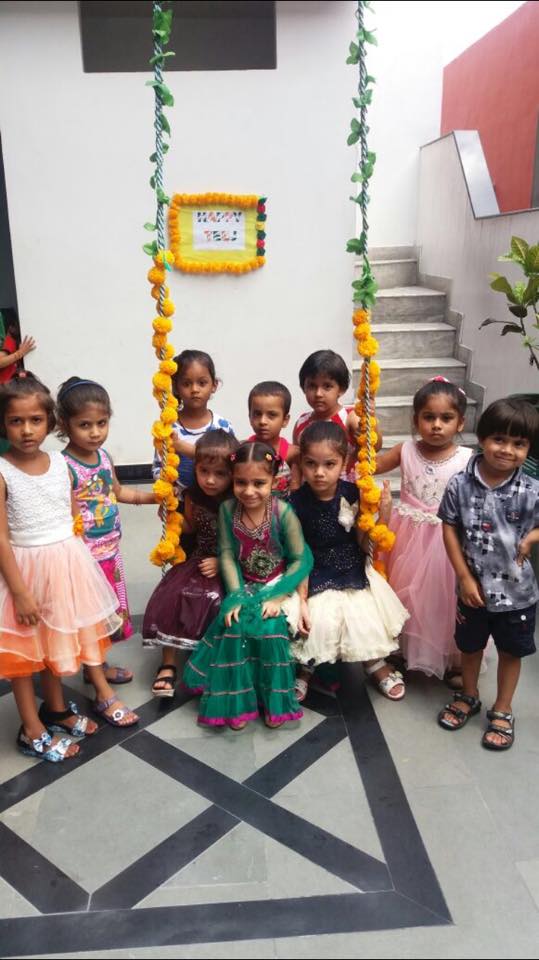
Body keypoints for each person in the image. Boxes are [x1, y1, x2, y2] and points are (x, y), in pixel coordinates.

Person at [0, 372, 123, 761]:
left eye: (35, 420)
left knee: (53, 642)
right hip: (24, 573)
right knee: (24, 655)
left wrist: (75, 571)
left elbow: (72, 518)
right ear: (3, 424)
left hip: (64, 567)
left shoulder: (59, 463)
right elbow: (1, 537)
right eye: (16, 421)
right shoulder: (2, 470)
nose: (26, 430)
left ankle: (54, 709)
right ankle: (31, 728)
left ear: (50, 422)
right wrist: (20, 592)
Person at [182, 441, 313, 729]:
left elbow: (299, 560)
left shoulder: (283, 513)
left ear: (274, 481)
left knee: (270, 629)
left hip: (279, 585)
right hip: (245, 584)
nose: (249, 491)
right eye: (241, 482)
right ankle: (239, 701)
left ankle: (273, 701)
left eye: (259, 483)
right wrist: (236, 596)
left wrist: (278, 596)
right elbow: (227, 555)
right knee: (234, 626)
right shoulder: (228, 509)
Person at [437, 397, 539, 751]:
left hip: (517, 595)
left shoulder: (532, 490)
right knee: (470, 647)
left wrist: (532, 537)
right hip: (473, 591)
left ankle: (503, 708)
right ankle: (469, 695)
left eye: (518, 443)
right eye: (499, 439)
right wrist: (464, 578)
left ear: (528, 448)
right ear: (481, 438)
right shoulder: (459, 484)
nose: (507, 450)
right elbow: (449, 527)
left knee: (511, 651)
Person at [290, 421, 409, 702]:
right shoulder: (296, 501)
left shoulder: (353, 493)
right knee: (318, 617)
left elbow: (364, 542)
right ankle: (306, 666)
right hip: (313, 567)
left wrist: (383, 517)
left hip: (351, 564)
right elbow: (296, 549)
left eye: (329, 464)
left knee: (360, 614)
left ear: (344, 463)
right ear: (302, 463)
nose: (319, 472)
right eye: (311, 464)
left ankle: (374, 664)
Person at [57, 376, 153, 723]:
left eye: (101, 423)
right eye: (85, 425)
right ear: (64, 424)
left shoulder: (103, 457)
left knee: (108, 614)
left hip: (110, 551)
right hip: (84, 559)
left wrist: (152, 497)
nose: (95, 432)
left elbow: (118, 492)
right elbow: (64, 515)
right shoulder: (63, 466)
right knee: (91, 621)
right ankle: (102, 693)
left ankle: (95, 667)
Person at [376, 377, 472, 685]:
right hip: (405, 537)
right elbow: (371, 465)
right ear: (416, 420)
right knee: (402, 594)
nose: (436, 425)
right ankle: (401, 648)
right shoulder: (405, 450)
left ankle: (453, 657)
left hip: (446, 541)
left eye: (446, 418)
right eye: (428, 417)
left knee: (442, 600)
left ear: (460, 423)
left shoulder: (466, 459)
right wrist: (360, 442)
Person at [143, 429, 238, 697]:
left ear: (233, 474)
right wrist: (172, 515)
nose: (210, 479)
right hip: (198, 556)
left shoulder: (238, 500)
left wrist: (221, 562)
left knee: (214, 599)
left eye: (220, 474)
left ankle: (213, 662)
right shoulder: (193, 497)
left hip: (230, 563)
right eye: (203, 471)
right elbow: (190, 528)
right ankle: (168, 663)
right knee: (173, 594)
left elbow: (246, 540)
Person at [152, 349, 234, 501]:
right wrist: (169, 487)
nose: (195, 389)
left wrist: (181, 446)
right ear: (176, 387)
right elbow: (159, 466)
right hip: (180, 503)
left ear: (214, 385)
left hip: (218, 503)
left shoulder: (223, 426)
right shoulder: (169, 428)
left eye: (202, 383)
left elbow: (233, 464)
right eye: (186, 384)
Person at [293, 349, 380, 481]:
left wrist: (370, 424)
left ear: (342, 389)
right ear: (303, 387)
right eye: (312, 386)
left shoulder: (351, 417)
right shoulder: (301, 423)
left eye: (327, 386)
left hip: (347, 489)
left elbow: (374, 447)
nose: (318, 394)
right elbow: (298, 461)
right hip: (311, 490)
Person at [247, 380, 299, 497]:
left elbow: (296, 489)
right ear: (250, 417)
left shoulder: (292, 453)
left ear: (285, 420)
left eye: (271, 415)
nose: (263, 421)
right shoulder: (243, 450)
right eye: (257, 414)